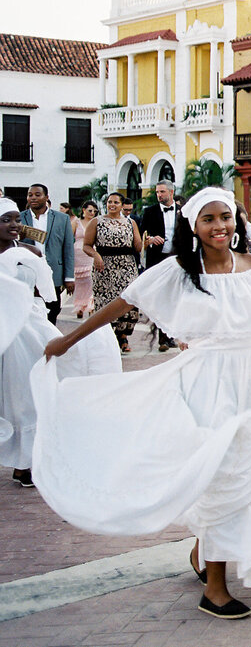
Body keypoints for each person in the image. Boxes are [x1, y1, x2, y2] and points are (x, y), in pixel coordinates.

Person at [37, 187, 251, 620]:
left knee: (247, 469)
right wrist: (67, 339)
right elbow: (124, 301)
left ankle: (203, 551)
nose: (219, 227)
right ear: (194, 226)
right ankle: (215, 589)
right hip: (208, 381)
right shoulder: (179, 270)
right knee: (223, 471)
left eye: (225, 217)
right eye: (208, 219)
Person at [0, 198, 118, 489]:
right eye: (6, 220)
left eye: (17, 219)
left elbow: (44, 293)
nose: (14, 225)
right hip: (4, 326)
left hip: (28, 326)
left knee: (27, 388)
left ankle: (26, 462)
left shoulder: (31, 251)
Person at [82, 193, 142, 353]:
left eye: (116, 202)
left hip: (127, 267)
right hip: (104, 268)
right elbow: (86, 245)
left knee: (128, 300)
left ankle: (122, 336)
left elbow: (137, 247)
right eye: (109, 202)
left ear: (122, 205)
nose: (112, 204)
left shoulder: (131, 222)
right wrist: (96, 256)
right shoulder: (97, 222)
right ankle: (105, 338)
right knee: (106, 303)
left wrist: (145, 241)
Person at [20, 183, 74, 324]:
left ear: (46, 197)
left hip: (52, 271)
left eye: (37, 195)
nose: (33, 198)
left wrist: (69, 277)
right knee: (27, 310)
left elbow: (68, 249)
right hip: (27, 271)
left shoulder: (62, 219)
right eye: (30, 195)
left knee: (53, 310)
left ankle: (49, 342)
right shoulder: (19, 218)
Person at [141, 181, 181, 351]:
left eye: (162, 192)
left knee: (174, 298)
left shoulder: (182, 212)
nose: (159, 195)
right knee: (160, 298)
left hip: (177, 260)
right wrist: (149, 240)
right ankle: (162, 337)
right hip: (157, 260)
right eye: (157, 192)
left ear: (171, 192)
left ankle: (168, 336)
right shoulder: (149, 212)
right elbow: (142, 236)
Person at [70, 200, 99, 318]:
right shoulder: (76, 222)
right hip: (78, 254)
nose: (92, 213)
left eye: (94, 211)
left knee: (91, 280)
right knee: (80, 283)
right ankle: (79, 307)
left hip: (91, 253)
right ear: (83, 210)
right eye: (90, 210)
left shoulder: (96, 222)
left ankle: (90, 305)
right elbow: (69, 237)